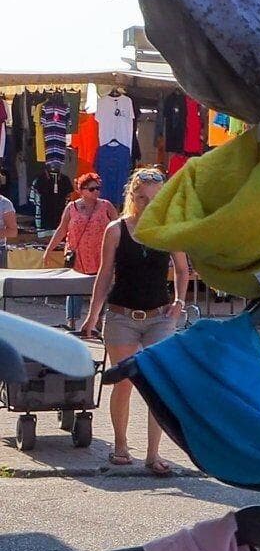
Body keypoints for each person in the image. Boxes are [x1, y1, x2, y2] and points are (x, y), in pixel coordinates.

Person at [79, 167, 187, 474]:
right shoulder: (116, 229)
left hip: (160, 316)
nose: (147, 204)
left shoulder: (169, 230)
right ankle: (121, 445)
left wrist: (180, 299)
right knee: (123, 382)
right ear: (132, 196)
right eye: (141, 197)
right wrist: (93, 313)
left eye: (154, 199)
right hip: (122, 314)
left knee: (158, 385)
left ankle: (154, 454)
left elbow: (181, 269)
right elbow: (104, 274)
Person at [45, 171, 117, 330]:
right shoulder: (72, 207)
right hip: (77, 254)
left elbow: (118, 227)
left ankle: (98, 318)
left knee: (101, 285)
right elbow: (62, 229)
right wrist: (49, 250)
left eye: (98, 188)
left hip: (101, 253)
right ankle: (72, 320)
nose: (96, 192)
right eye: (91, 189)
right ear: (81, 190)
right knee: (74, 286)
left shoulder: (106, 206)